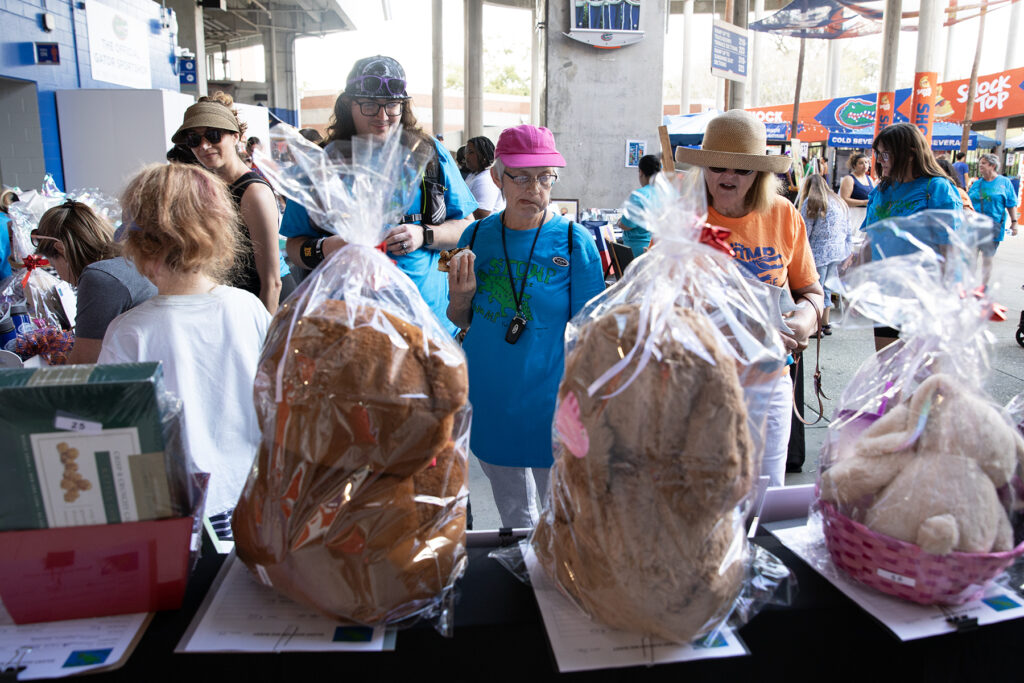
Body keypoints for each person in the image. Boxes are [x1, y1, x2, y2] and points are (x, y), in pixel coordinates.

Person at [446, 125, 605, 527]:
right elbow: (463, 320)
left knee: (562, 517)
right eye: (521, 176)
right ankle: (523, 583)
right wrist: (461, 296)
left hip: (551, 403)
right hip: (492, 397)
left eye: (545, 177)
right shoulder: (476, 235)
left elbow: (592, 336)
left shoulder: (573, 242)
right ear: (497, 177)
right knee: (514, 514)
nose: (534, 188)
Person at [98, 163, 271, 521]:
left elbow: (115, 437)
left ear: (141, 245)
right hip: (256, 498)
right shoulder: (248, 308)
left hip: (180, 511)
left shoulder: (128, 332)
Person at [676, 109, 823, 487]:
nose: (727, 177)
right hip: (700, 383)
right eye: (717, 167)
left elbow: (812, 292)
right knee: (704, 498)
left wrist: (805, 320)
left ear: (759, 174)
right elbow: (656, 300)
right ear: (703, 167)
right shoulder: (681, 218)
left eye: (742, 170)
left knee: (764, 495)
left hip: (769, 379)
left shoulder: (783, 215)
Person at [280, 55, 477, 336]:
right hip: (350, 323)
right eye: (370, 105)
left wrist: (424, 234)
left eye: (392, 105)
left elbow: (467, 227)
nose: (382, 116)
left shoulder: (428, 154)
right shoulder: (323, 165)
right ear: (349, 104)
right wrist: (326, 248)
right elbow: (294, 247)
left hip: (428, 325)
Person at [172, 93, 294, 314]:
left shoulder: (254, 192)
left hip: (266, 304)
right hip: (235, 304)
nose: (205, 145)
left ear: (236, 136)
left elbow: (272, 281)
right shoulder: (209, 187)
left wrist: (264, 337)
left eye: (213, 135)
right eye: (194, 140)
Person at [863, 122, 963, 350]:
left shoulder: (937, 188)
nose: (879, 160)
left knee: (922, 371)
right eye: (877, 153)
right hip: (886, 294)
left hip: (924, 296)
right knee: (888, 366)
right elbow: (871, 238)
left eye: (885, 154)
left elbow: (951, 250)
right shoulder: (882, 190)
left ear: (910, 154)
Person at [29, 200, 156, 364]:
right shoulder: (126, 263)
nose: (60, 275)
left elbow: (83, 364)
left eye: (54, 264)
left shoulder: (99, 277)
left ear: (60, 249)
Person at [798, 174, 851, 336]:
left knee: (815, 290)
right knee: (827, 288)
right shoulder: (838, 202)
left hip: (817, 253)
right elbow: (847, 228)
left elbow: (804, 231)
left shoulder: (812, 202)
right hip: (837, 252)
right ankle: (825, 323)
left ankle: (817, 326)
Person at [968, 152, 1019, 284]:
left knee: (987, 258)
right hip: (974, 226)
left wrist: (1014, 223)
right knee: (970, 257)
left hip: (994, 226)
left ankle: (983, 286)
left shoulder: (1004, 183)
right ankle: (969, 285)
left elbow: (1011, 204)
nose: (980, 166)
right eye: (980, 163)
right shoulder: (976, 184)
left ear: (992, 165)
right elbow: (967, 202)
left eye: (983, 163)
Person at [616, 154, 661, 256]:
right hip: (659, 250)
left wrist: (619, 222)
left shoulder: (639, 196)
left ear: (641, 172)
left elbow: (626, 225)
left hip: (637, 251)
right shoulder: (665, 194)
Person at [464, 135, 505, 219]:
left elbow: (482, 215)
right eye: (466, 152)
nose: (466, 156)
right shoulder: (474, 174)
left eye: (471, 152)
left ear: (483, 157)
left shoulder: (486, 179)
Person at [838, 152, 875, 230]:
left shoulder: (870, 179)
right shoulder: (849, 179)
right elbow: (844, 199)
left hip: (866, 216)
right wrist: (864, 202)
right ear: (854, 166)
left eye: (866, 162)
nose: (865, 165)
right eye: (861, 163)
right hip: (853, 216)